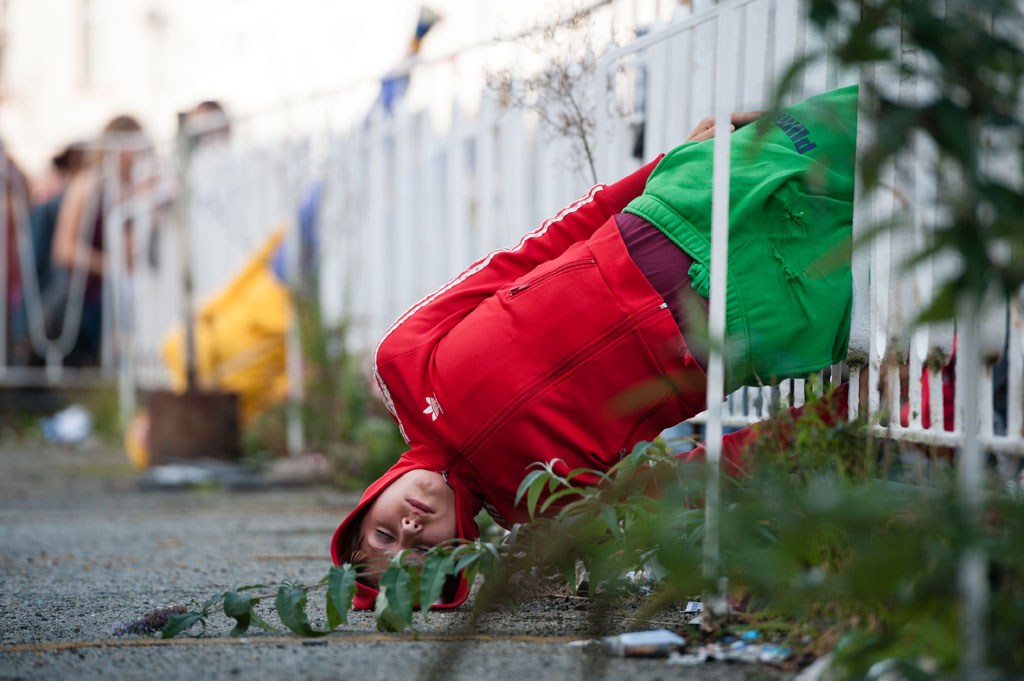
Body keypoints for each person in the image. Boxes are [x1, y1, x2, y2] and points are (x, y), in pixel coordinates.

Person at [331, 85, 859, 609]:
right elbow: (689, 480)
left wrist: (664, 168)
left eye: (383, 535)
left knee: (875, 116)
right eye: (422, 553)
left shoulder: (402, 363)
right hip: (758, 313)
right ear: (457, 554)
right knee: (894, 257)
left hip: (676, 214)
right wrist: (841, 413)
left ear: (367, 504)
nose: (409, 529)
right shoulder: (543, 509)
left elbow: (532, 251)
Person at [48, 115, 146, 366]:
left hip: (123, 294)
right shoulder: (87, 185)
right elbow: (63, 248)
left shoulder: (136, 187)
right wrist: (108, 265)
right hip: (87, 298)